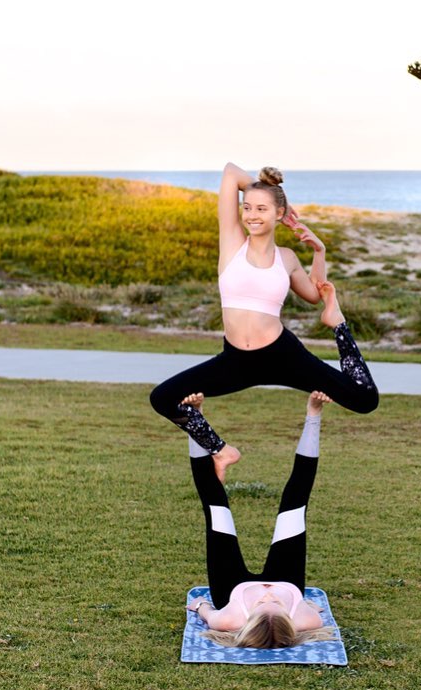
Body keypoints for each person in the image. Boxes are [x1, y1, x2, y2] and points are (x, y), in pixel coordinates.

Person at [150, 162, 379, 480]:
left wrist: (320, 252)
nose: (252, 215)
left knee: (365, 398)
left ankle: (338, 323)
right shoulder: (232, 243)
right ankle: (222, 451)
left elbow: (314, 294)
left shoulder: (286, 258)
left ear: (278, 214)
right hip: (235, 360)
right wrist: (263, 188)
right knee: (162, 398)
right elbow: (231, 173)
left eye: (261, 209)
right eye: (247, 207)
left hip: (284, 356)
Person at [185, 390, 336, 649]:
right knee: (296, 500)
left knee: (215, 505)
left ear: (246, 620)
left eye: (260, 603)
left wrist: (200, 605)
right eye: (276, 603)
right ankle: (313, 414)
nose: (267, 593)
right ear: (291, 618)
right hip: (286, 578)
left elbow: (205, 610)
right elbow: (310, 615)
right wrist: (298, 602)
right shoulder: (306, 620)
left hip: (230, 583)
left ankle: (195, 417)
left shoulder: (229, 619)